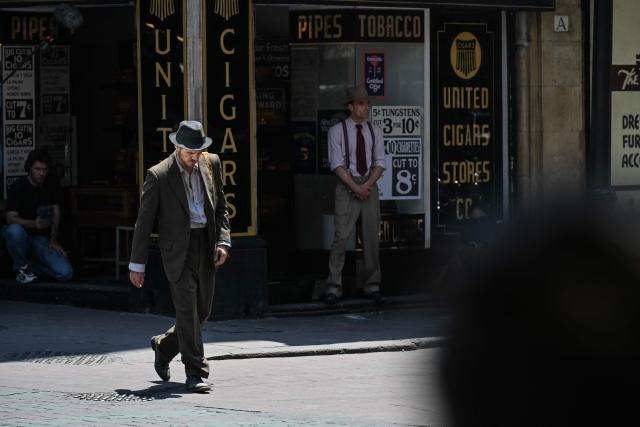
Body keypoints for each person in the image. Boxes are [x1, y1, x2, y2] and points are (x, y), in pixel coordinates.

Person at [128, 120, 231, 393]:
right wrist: (137, 265)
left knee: (201, 312)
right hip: (177, 252)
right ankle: (196, 371)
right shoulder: (159, 175)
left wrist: (223, 240)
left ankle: (164, 346)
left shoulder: (212, 164)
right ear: (177, 147)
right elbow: (144, 222)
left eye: (198, 151)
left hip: (205, 245)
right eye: (189, 152)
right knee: (187, 310)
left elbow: (221, 207)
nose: (194, 157)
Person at [325, 85, 386, 305]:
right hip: (346, 185)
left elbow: (379, 163)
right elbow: (337, 165)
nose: (366, 107)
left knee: (371, 239)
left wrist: (367, 185)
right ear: (350, 107)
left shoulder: (374, 131)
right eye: (361, 103)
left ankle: (372, 285)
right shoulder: (337, 131)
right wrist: (355, 186)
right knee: (341, 238)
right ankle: (333, 287)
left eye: (367, 103)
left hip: (368, 184)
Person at [1, 149, 73, 284]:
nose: (41, 173)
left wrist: (53, 240)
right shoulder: (19, 186)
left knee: (65, 273)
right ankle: (22, 267)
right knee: (14, 230)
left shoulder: (51, 184)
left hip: (41, 238)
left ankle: (27, 268)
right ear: (29, 168)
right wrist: (34, 223)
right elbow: (10, 218)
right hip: (22, 236)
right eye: (37, 169)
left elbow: (56, 212)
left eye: (45, 169)